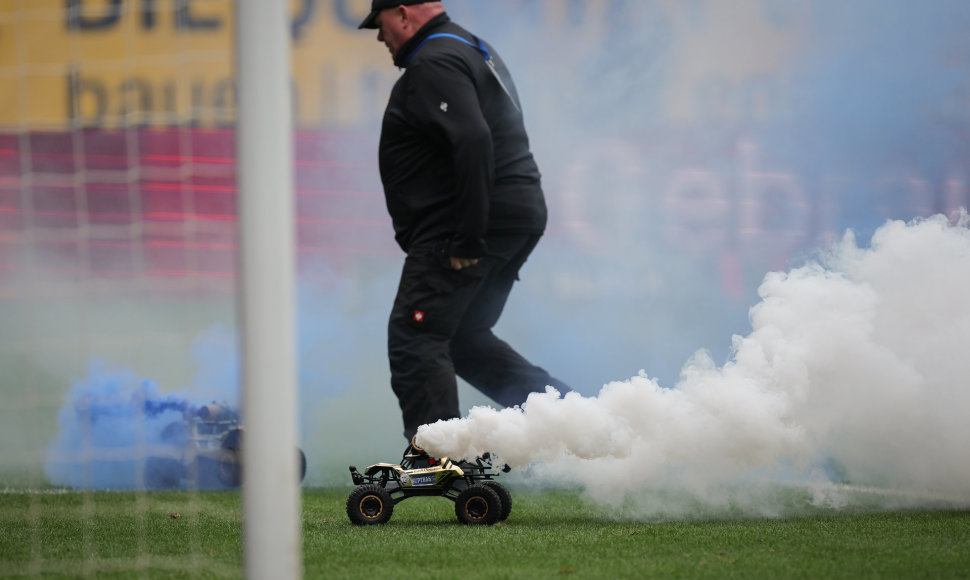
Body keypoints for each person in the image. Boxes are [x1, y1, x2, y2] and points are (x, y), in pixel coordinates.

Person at [359, 0, 571, 442]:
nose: (380, 38)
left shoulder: (434, 61)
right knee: (464, 339)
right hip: (513, 215)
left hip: (469, 227)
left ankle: (439, 458)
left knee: (416, 335)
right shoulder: (467, 47)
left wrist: (467, 237)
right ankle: (580, 429)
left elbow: (474, 139)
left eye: (380, 25)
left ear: (402, 14)